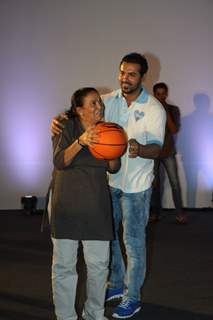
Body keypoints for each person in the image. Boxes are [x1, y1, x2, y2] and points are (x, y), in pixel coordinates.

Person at [51, 53, 166, 319]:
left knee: (133, 244)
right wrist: (56, 120)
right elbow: (78, 111)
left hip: (136, 187)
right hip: (109, 184)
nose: (126, 78)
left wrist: (138, 148)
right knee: (109, 240)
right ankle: (114, 285)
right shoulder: (107, 101)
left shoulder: (154, 109)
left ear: (143, 77)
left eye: (132, 74)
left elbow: (158, 149)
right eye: (123, 72)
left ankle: (132, 297)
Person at [50, 87, 120, 320]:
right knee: (64, 267)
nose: (99, 107)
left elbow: (114, 167)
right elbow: (60, 161)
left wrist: (115, 149)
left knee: (100, 267)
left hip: (96, 205)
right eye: (93, 104)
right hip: (66, 205)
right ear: (79, 109)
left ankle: (94, 314)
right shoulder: (65, 126)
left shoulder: (109, 129)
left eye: (99, 102)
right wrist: (82, 141)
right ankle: (65, 316)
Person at [150, 82, 187, 224]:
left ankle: (180, 213)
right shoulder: (150, 110)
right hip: (153, 152)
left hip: (168, 152)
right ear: (154, 94)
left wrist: (164, 111)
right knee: (155, 184)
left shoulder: (173, 109)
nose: (160, 97)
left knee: (174, 183)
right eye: (158, 94)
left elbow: (173, 130)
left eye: (163, 94)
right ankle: (155, 213)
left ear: (166, 94)